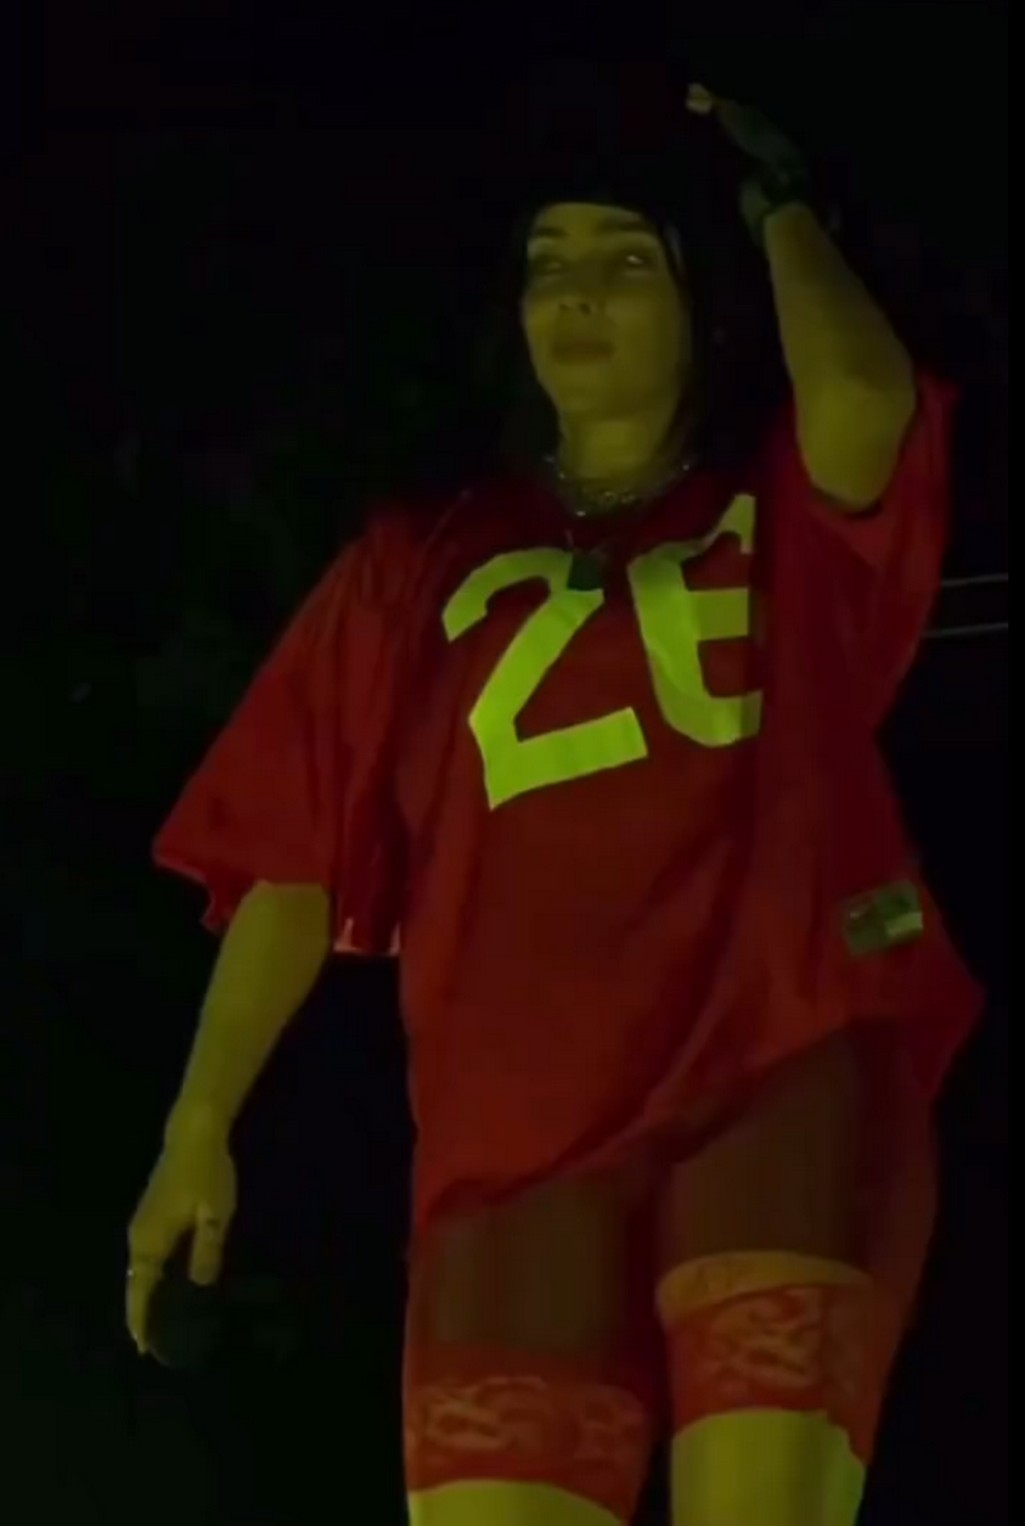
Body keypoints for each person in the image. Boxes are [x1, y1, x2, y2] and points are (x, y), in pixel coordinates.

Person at [127, 87, 982, 1525]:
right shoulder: (419, 555)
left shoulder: (774, 512)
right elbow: (293, 858)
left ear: (702, 308)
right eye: (549, 263)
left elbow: (862, 402)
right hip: (513, 1142)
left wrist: (775, 206)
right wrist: (196, 1123)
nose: (576, 292)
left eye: (626, 260)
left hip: (781, 1064)